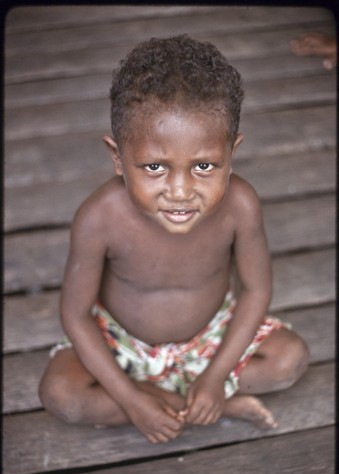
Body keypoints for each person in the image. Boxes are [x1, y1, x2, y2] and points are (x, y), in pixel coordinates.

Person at [39, 35, 309, 444]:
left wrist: (217, 375)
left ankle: (189, 398)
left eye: (203, 165)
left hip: (208, 341)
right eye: (153, 166)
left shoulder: (241, 205)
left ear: (231, 154)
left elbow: (256, 289)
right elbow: (75, 315)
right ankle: (179, 405)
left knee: (289, 359)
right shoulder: (100, 216)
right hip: (121, 344)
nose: (180, 190)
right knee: (61, 394)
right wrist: (129, 398)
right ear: (117, 158)